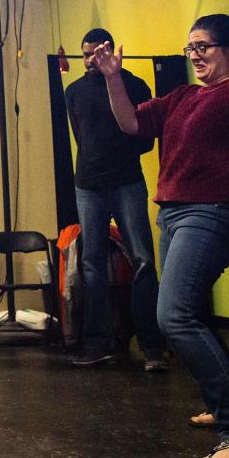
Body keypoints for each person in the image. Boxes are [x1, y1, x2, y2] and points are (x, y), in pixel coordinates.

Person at [92, 14, 229, 458]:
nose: (196, 55)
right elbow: (129, 123)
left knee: (174, 315)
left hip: (214, 213)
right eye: (190, 48)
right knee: (189, 313)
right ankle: (221, 399)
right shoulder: (184, 96)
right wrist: (113, 78)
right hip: (174, 215)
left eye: (204, 46)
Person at [65, 28, 167, 371]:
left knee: (142, 260)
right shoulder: (74, 90)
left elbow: (146, 136)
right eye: (86, 54)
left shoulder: (136, 85)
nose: (92, 59)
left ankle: (152, 347)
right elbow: (81, 135)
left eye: (97, 52)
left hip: (127, 181)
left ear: (109, 50)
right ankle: (97, 344)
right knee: (91, 264)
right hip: (88, 184)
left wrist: (120, 153)